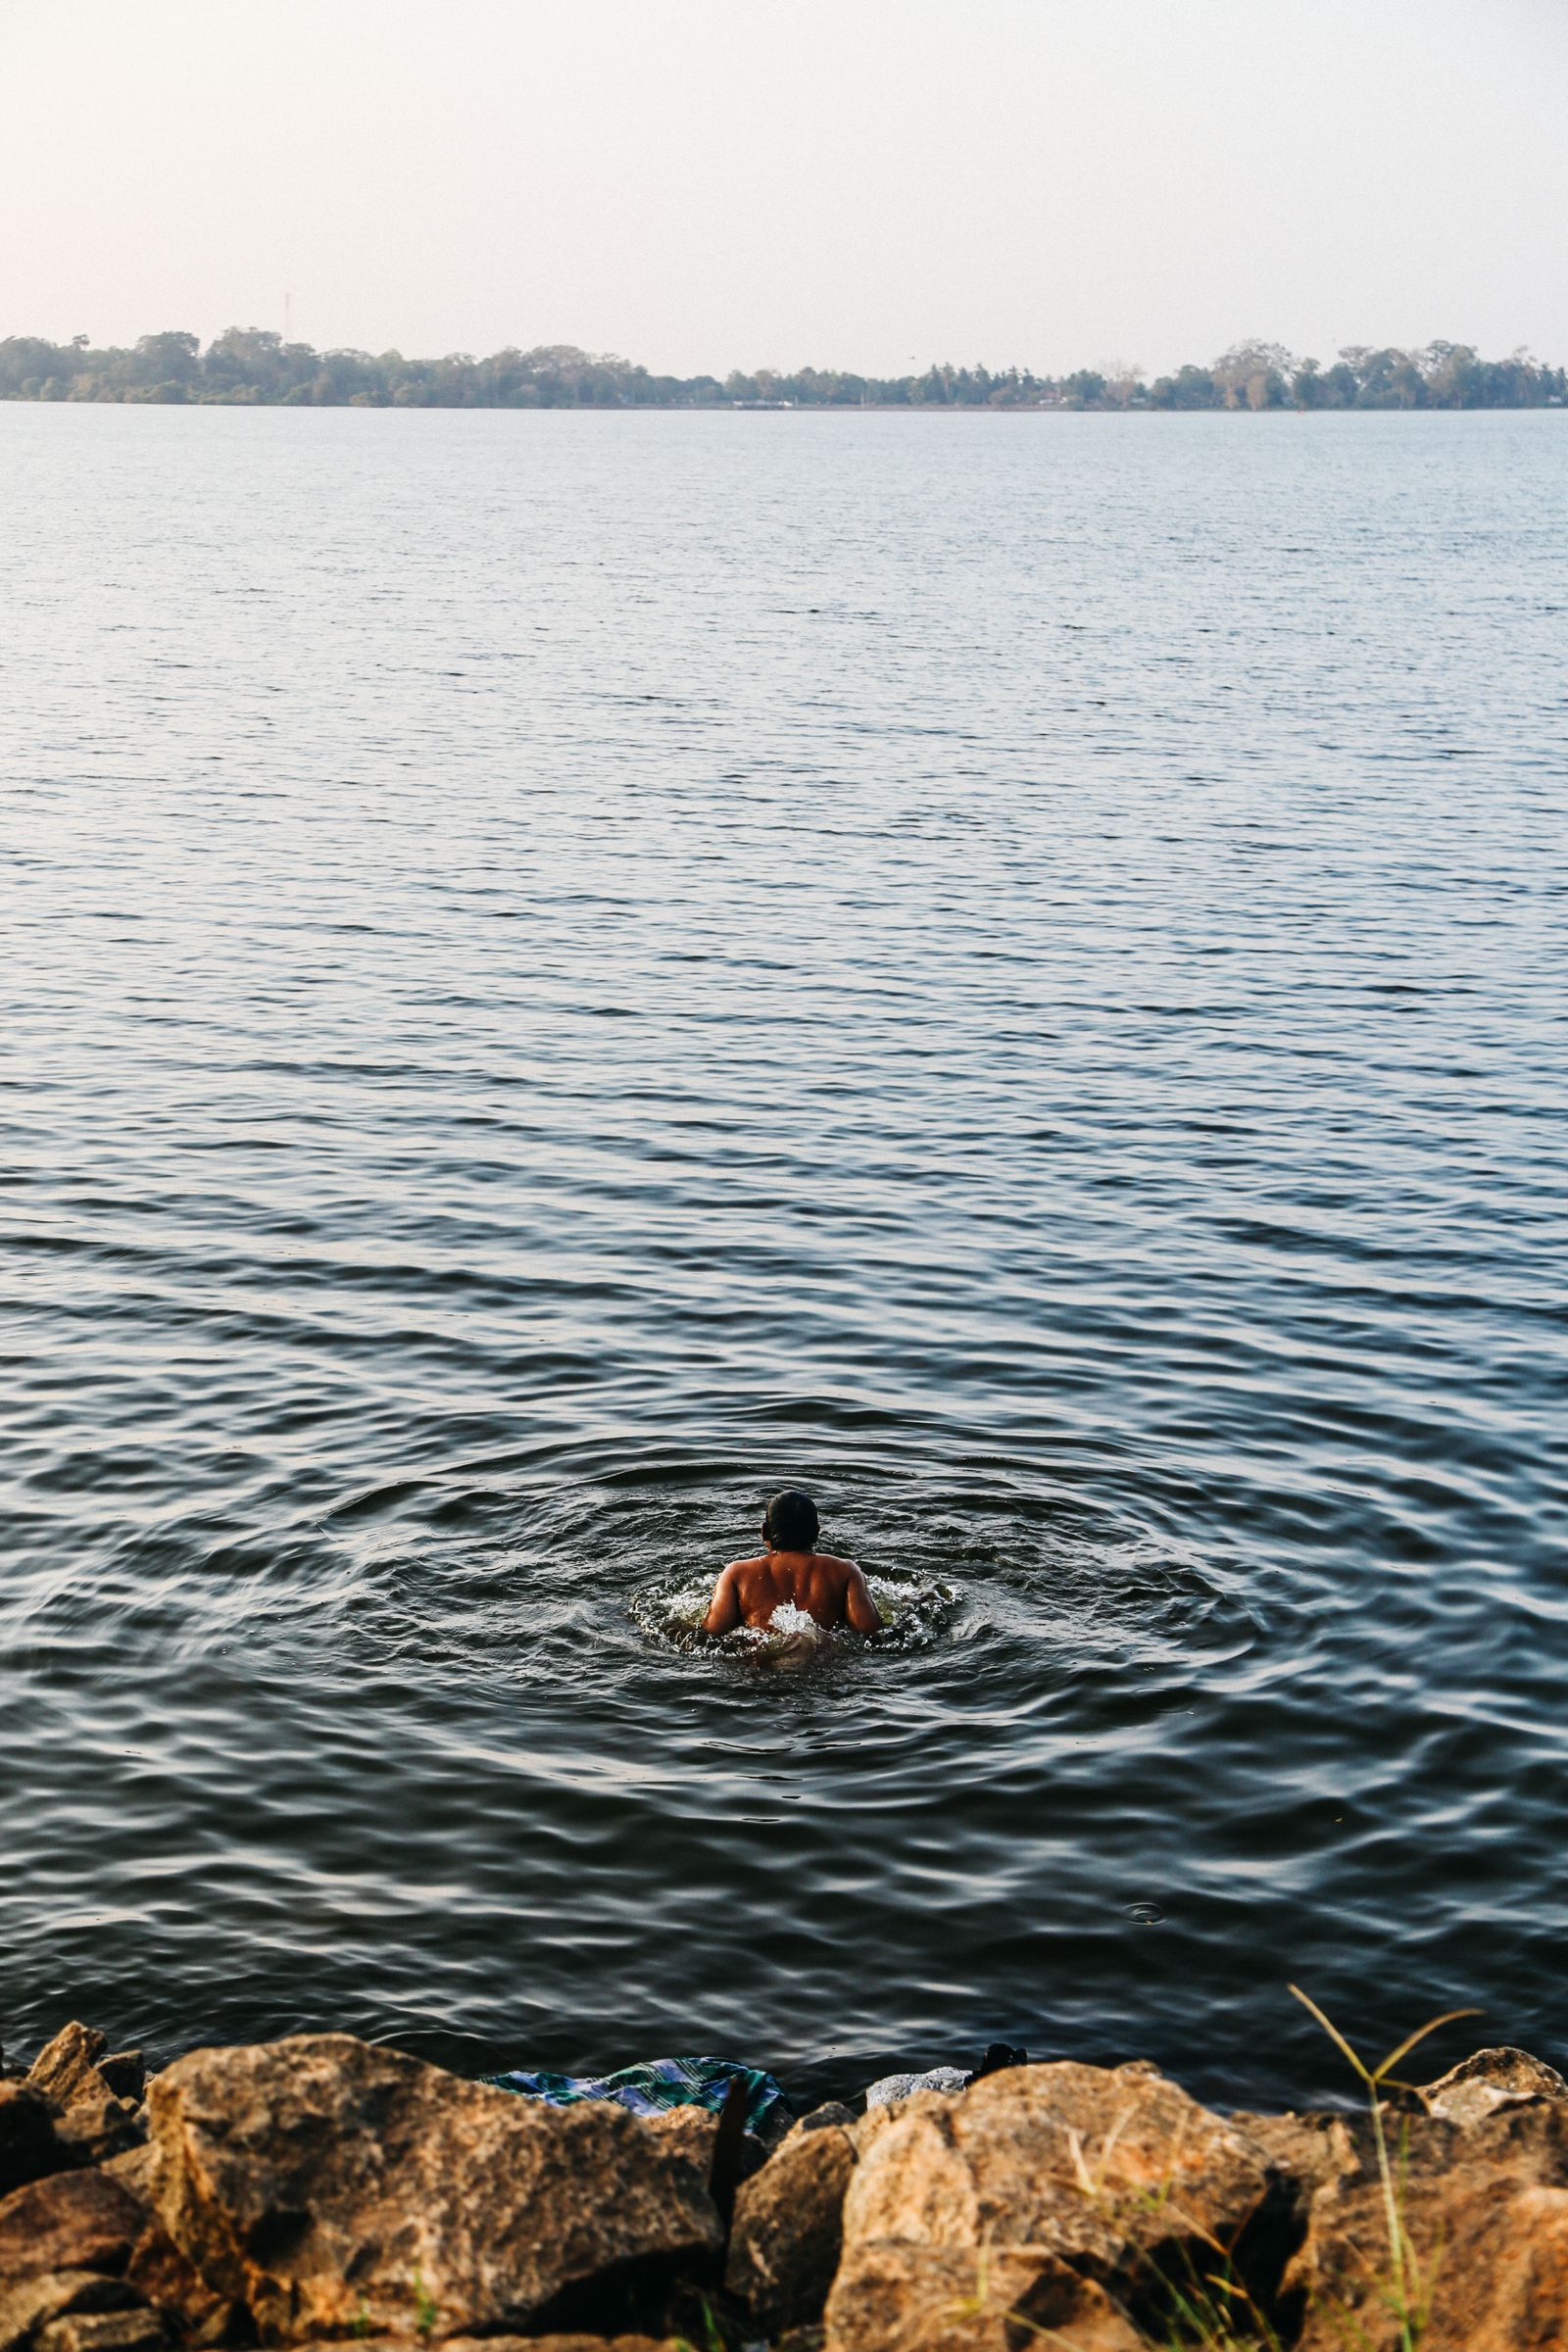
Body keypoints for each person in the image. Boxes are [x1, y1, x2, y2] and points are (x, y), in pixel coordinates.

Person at [701, 1489, 881, 1637]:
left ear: (764, 1532)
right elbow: (868, 1630)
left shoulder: (736, 1573)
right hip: (823, 1665)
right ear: (817, 1533)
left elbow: (713, 1630)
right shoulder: (845, 1571)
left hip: (760, 1665)